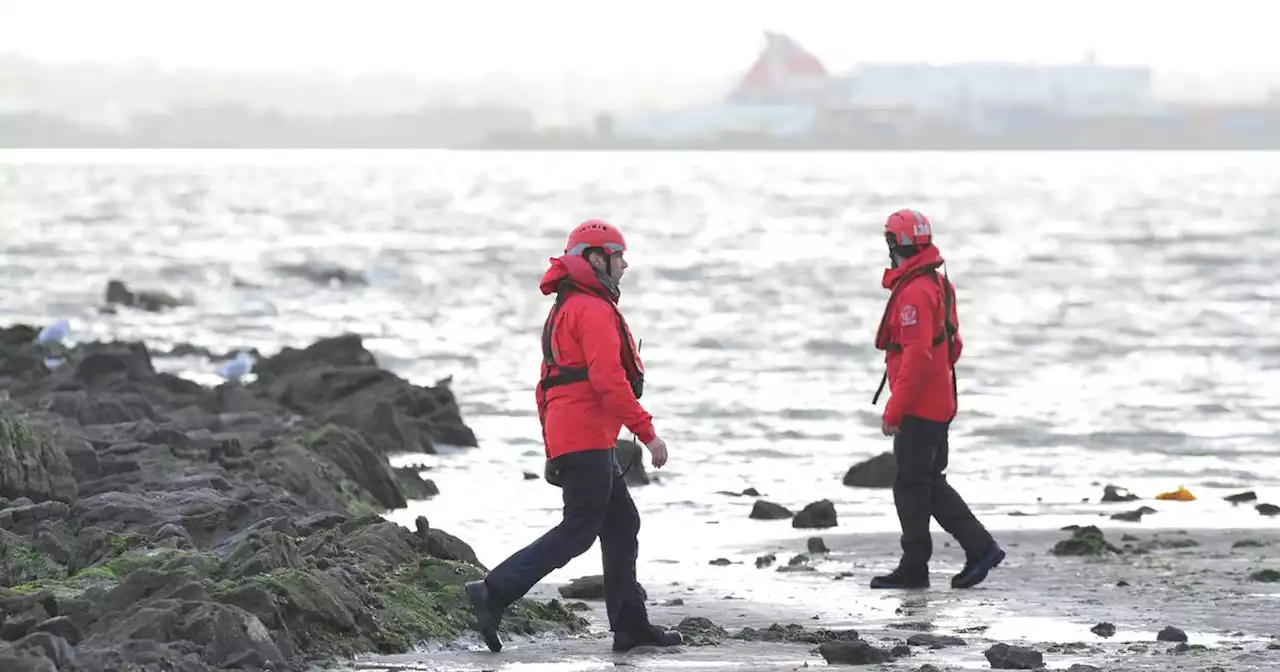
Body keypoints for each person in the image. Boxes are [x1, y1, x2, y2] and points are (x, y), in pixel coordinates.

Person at [465, 219, 683, 653]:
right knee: (580, 529)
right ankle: (494, 590)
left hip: (580, 435)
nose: (624, 264)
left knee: (622, 524)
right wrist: (647, 432)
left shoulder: (569, 307)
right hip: (585, 438)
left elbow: (555, 386)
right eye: (618, 255)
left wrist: (555, 445)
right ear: (595, 258)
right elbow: (608, 380)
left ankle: (629, 627)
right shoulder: (593, 309)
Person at [870, 208, 1005, 590]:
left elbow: (916, 355)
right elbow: (953, 345)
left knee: (912, 485)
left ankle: (930, 563)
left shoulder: (913, 293)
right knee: (928, 481)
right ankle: (971, 550)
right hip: (941, 401)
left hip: (919, 406)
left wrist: (895, 407)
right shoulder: (939, 285)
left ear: (895, 244)